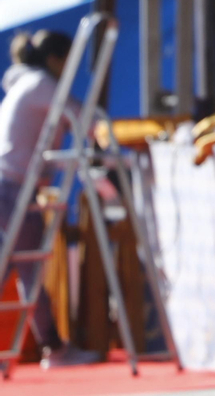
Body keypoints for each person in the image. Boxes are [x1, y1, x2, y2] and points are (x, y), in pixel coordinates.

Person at [0, 30, 99, 368]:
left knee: (12, 266)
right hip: (14, 186)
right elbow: (82, 117)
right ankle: (54, 349)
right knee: (27, 268)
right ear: (57, 60)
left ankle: (53, 346)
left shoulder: (24, 83)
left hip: (9, 181)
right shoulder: (42, 84)